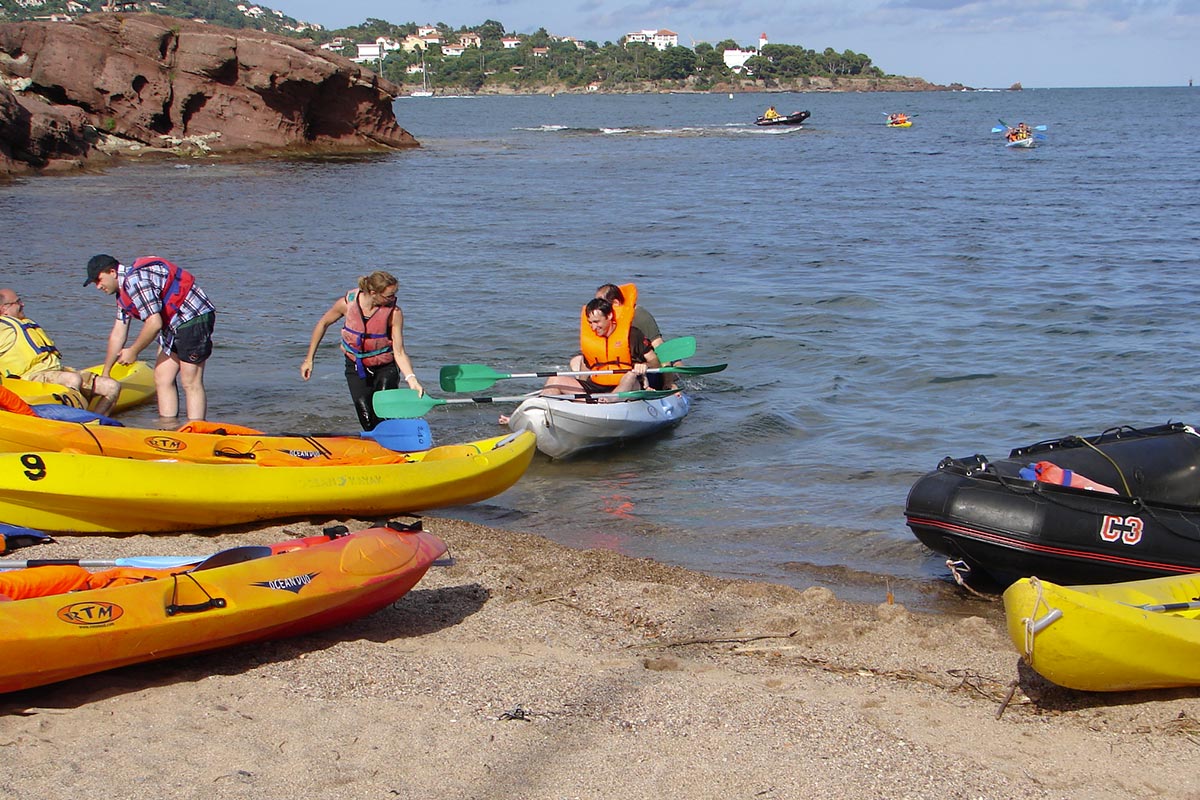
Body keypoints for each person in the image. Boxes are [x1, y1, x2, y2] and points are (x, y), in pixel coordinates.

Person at [84, 253, 216, 422]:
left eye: (98, 280)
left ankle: (196, 432)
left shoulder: (135, 282)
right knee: (162, 376)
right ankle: (168, 427)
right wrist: (106, 373)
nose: (98, 286)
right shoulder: (122, 295)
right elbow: (117, 334)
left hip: (193, 316)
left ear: (112, 272)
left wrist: (133, 351)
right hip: (173, 323)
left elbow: (154, 323)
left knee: (190, 380)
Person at [300, 270, 424, 431]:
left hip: (385, 367)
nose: (393, 299)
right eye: (389, 296)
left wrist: (412, 379)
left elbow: (399, 351)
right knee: (366, 419)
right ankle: (374, 446)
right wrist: (309, 359)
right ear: (373, 293)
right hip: (356, 367)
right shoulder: (347, 303)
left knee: (383, 413)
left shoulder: (394, 313)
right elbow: (323, 323)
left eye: (395, 294)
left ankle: (395, 443)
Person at [0, 288, 121, 415]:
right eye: (18, 302)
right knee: (72, 379)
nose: (22, 304)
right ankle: (74, 422)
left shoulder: (24, 322)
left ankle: (96, 424)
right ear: (4, 308)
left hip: (57, 373)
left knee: (112, 387)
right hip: (30, 378)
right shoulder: (2, 327)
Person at [542, 297, 660, 397]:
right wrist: (581, 385)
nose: (593, 327)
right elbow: (586, 367)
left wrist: (644, 366)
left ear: (609, 316)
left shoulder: (633, 335)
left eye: (597, 322)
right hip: (597, 386)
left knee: (630, 376)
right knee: (554, 380)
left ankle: (609, 401)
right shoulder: (593, 339)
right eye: (590, 323)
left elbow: (655, 362)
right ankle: (539, 411)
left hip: (628, 384)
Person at [594, 282, 674, 390]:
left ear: (615, 303)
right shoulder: (601, 322)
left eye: (601, 304)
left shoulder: (640, 316)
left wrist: (668, 382)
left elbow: (660, 347)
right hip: (616, 369)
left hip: (643, 371)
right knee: (577, 360)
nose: (598, 308)